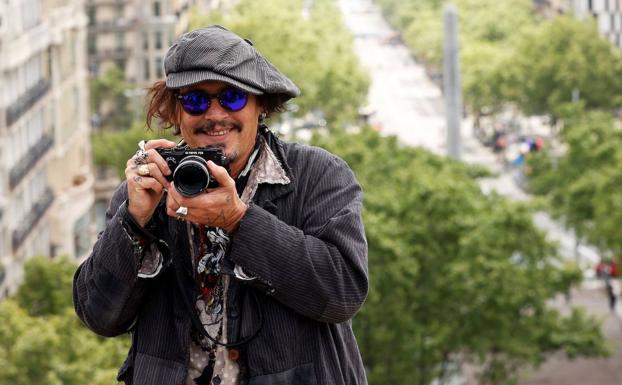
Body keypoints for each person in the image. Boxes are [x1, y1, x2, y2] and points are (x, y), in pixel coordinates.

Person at [73, 25, 369, 385]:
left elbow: (342, 293)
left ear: (260, 104)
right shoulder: (146, 192)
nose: (215, 114)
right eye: (195, 100)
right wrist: (134, 222)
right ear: (176, 113)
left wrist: (239, 222)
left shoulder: (318, 176)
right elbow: (98, 315)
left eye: (232, 98)